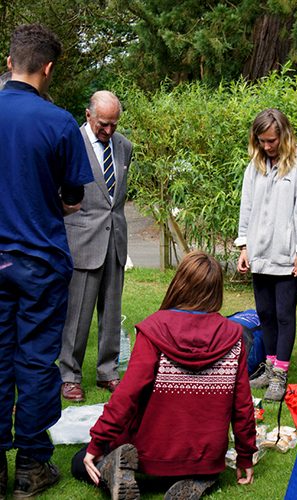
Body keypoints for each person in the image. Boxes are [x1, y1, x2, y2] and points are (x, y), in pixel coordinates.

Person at [70, 251, 257, 500]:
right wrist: (245, 456)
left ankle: (110, 468)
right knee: (205, 466)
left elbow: (127, 394)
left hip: (150, 454)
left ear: (179, 283)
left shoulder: (154, 329)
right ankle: (198, 477)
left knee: (78, 461)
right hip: (205, 455)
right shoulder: (234, 336)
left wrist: (97, 443)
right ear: (216, 290)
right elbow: (242, 405)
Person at [0, 24, 93, 499]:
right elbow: (74, 197)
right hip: (38, 259)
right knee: (36, 361)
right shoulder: (58, 122)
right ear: (48, 68)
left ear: (11, 60)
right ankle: (32, 465)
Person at [235, 108, 297, 401]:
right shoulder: (256, 165)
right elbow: (246, 208)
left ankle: (281, 374)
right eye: (261, 141)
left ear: (283, 135)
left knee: (284, 315)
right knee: (265, 313)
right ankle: (270, 366)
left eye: (271, 140)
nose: (267, 146)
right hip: (260, 254)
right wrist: (244, 246)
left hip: (287, 255)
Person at [59, 91, 133, 402]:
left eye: (114, 124)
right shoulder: (69, 144)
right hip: (82, 242)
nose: (109, 130)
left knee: (112, 311)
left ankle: (107, 371)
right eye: (104, 124)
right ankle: (69, 374)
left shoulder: (124, 146)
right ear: (89, 116)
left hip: (115, 240)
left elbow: (116, 200)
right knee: (77, 315)